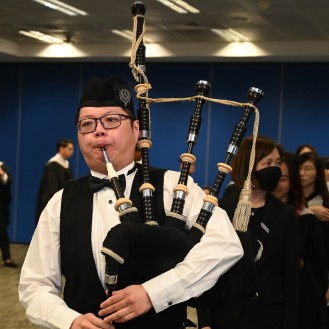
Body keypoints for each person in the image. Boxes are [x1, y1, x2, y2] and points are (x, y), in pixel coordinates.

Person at [19, 76, 243, 329]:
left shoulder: (173, 186)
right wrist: (70, 320)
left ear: (137, 129)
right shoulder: (61, 201)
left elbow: (226, 245)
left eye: (112, 120)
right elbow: (34, 285)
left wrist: (154, 293)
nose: (99, 130)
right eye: (87, 124)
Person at [197, 136, 300, 329]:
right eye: (267, 163)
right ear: (248, 165)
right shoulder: (222, 209)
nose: (275, 169)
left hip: (268, 317)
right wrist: (205, 322)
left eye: (278, 163)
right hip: (225, 314)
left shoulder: (285, 215)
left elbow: (291, 279)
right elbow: (206, 267)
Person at [272, 152, 328, 329]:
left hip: (299, 304)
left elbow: (317, 271)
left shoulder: (306, 219)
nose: (276, 184)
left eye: (283, 179)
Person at [35, 138, 74, 225]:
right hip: (54, 206)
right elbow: (50, 190)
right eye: (70, 149)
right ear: (61, 148)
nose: (72, 152)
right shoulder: (52, 166)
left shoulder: (66, 165)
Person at [0, 161, 17, 268]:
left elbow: (8, 182)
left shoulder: (3, 167)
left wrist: (1, 173)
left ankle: (7, 259)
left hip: (1, 206)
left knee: (3, 233)